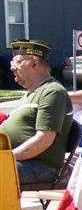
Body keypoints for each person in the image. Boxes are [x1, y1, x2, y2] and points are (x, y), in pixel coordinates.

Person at [0, 39, 73, 184]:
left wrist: (8, 159)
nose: (12, 67)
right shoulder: (31, 93)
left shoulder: (52, 91)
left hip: (41, 167)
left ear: (34, 63)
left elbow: (44, 139)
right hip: (22, 162)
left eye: (19, 62)